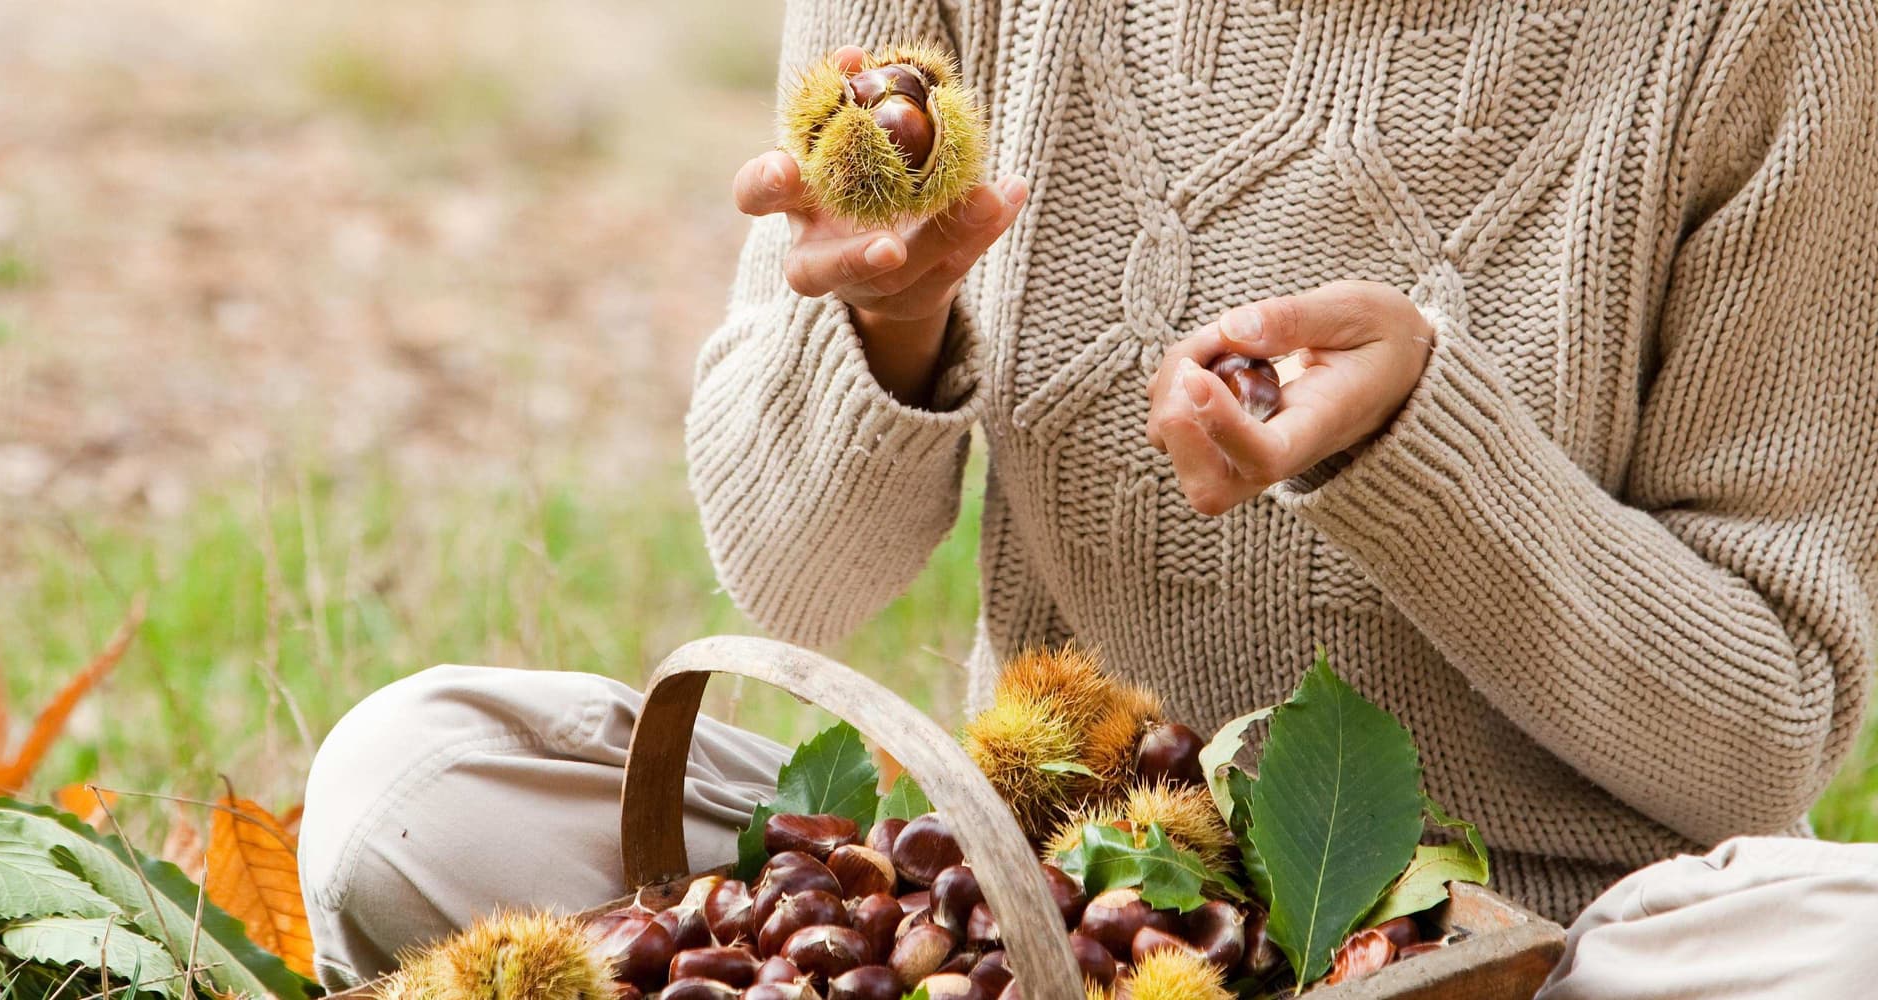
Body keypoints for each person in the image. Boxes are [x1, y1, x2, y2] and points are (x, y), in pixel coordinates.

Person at [299, 0, 1878, 995]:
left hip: (1528, 945)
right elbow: (789, 580)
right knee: (413, 786)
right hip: (1039, 886)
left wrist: (1419, 454)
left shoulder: (1778, 31)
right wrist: (889, 326)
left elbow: (1764, 730)